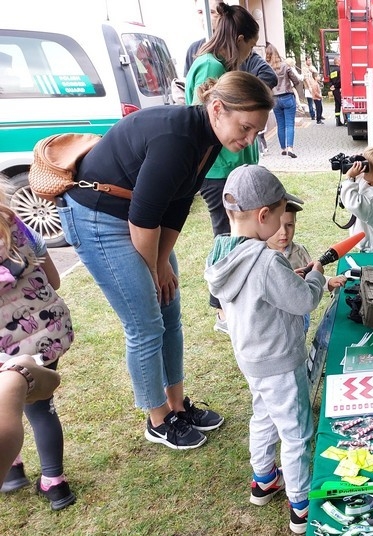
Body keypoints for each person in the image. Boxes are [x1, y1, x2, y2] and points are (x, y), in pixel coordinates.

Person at [55, 71, 274, 450]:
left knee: (169, 311)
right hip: (99, 217)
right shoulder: (177, 137)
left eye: (257, 131)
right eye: (246, 127)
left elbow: (176, 206)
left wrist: (163, 266)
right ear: (217, 108)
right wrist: (155, 267)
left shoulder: (209, 140)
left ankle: (177, 405)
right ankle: (158, 420)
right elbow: (144, 216)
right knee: (145, 322)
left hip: (139, 217)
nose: (249, 139)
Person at [203, 165, 327, 535]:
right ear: (263, 216)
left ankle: (262, 481)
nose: (282, 224)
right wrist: (317, 274)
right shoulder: (267, 260)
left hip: (252, 360)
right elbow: (303, 301)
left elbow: (262, 296)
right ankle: (301, 506)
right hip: (281, 362)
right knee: (296, 432)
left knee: (264, 417)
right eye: (279, 214)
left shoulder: (222, 254)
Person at [185, 1, 271, 335]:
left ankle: (236, 298)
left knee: (239, 233)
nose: (247, 55)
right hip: (219, 171)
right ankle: (223, 308)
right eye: (248, 47)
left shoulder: (215, 62)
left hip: (231, 168)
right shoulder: (209, 66)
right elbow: (207, 125)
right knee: (228, 235)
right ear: (238, 38)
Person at [0, 186, 75, 510]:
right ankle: (55, 483)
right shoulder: (18, 227)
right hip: (47, 337)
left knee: (4, 405)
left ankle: (12, 469)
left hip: (4, 352)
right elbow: (54, 282)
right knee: (41, 407)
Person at [266, 198, 347, 332]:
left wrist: (329, 282)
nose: (284, 232)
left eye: (289, 225)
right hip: (278, 324)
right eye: (277, 226)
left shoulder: (300, 251)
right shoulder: (262, 257)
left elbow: (312, 277)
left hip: (301, 317)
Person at [184, 0, 277, 89]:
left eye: (211, 12)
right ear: (240, 40)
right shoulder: (212, 66)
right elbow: (203, 106)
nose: (250, 53)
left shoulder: (215, 62)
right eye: (251, 46)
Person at [0, 354, 63, 483]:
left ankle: (12, 470)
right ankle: (55, 483)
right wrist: (20, 375)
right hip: (43, 343)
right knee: (42, 411)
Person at [265, 43, 301, 158]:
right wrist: (292, 85)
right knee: (290, 124)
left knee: (280, 125)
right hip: (287, 97)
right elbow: (296, 80)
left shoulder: (267, 68)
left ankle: (283, 148)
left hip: (275, 99)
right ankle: (290, 148)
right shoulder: (285, 66)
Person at [301, 57, 320, 121]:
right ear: (306, 61)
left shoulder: (313, 67)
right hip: (308, 87)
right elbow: (305, 78)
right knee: (310, 102)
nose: (310, 62)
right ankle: (312, 115)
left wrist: (313, 71)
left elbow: (316, 75)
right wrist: (309, 87)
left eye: (310, 60)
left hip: (314, 86)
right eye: (308, 60)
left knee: (317, 100)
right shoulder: (304, 69)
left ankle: (319, 114)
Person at [330, 57, 343, 127]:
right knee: (343, 104)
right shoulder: (339, 70)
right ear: (337, 61)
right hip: (339, 89)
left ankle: (338, 121)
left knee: (337, 105)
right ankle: (346, 120)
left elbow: (330, 80)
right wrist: (336, 86)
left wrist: (332, 85)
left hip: (334, 90)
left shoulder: (332, 71)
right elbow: (340, 80)